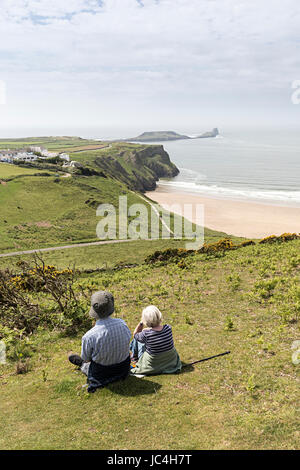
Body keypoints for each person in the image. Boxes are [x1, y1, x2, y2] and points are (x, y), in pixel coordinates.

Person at [68, 291, 131, 393]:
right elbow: (128, 340)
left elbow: (86, 358)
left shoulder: (88, 336)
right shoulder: (122, 324)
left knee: (86, 364)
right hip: (123, 369)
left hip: (102, 373)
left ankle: (81, 365)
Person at [130, 305, 182, 376]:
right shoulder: (168, 328)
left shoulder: (146, 334)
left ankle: (134, 358)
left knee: (137, 340)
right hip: (169, 361)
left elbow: (135, 335)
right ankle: (134, 357)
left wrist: (141, 323)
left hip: (153, 363)